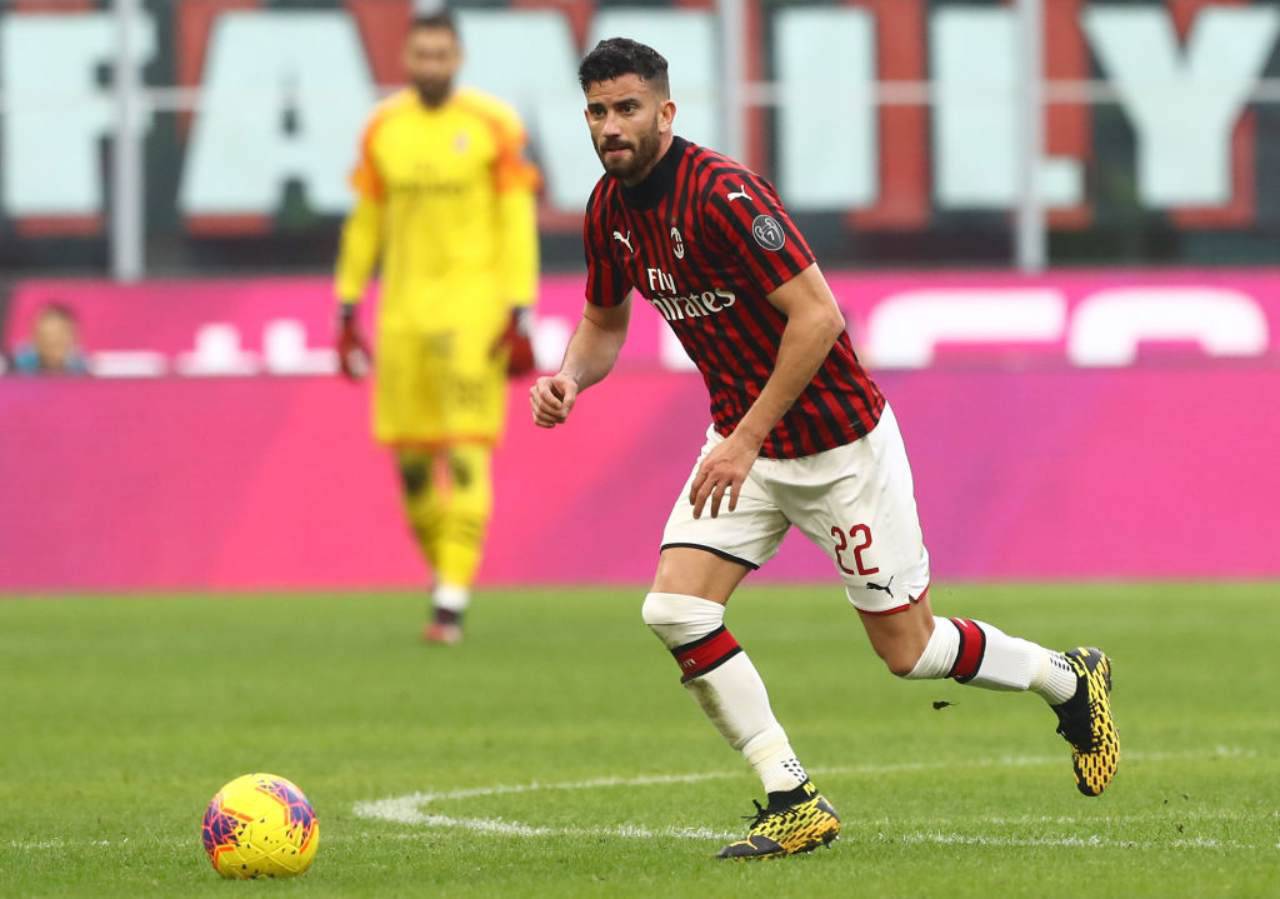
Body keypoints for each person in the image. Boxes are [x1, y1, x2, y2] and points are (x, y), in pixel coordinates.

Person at [530, 38, 1118, 861]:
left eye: (627, 108)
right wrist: (568, 378)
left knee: (908, 652)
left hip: (837, 445)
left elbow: (818, 318)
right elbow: (602, 322)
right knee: (675, 608)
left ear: (667, 112)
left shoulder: (724, 196)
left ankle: (1065, 675)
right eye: (597, 110)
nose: (610, 126)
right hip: (746, 443)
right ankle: (790, 794)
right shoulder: (608, 211)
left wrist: (744, 437)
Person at [334, 11, 539, 645]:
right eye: (421, 55)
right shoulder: (383, 127)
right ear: (407, 59)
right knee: (414, 469)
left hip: (472, 314)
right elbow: (367, 220)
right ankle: (444, 574)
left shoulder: (492, 126)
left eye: (441, 55)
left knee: (468, 453)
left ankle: (450, 601)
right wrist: (346, 304)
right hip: (402, 319)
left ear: (459, 57)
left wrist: (519, 308)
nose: (430, 65)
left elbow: (514, 219)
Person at [10, 303, 89, 375]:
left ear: (73, 337)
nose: (51, 341)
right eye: (44, 336)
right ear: (33, 338)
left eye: (59, 338)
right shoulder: (13, 371)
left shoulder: (85, 373)